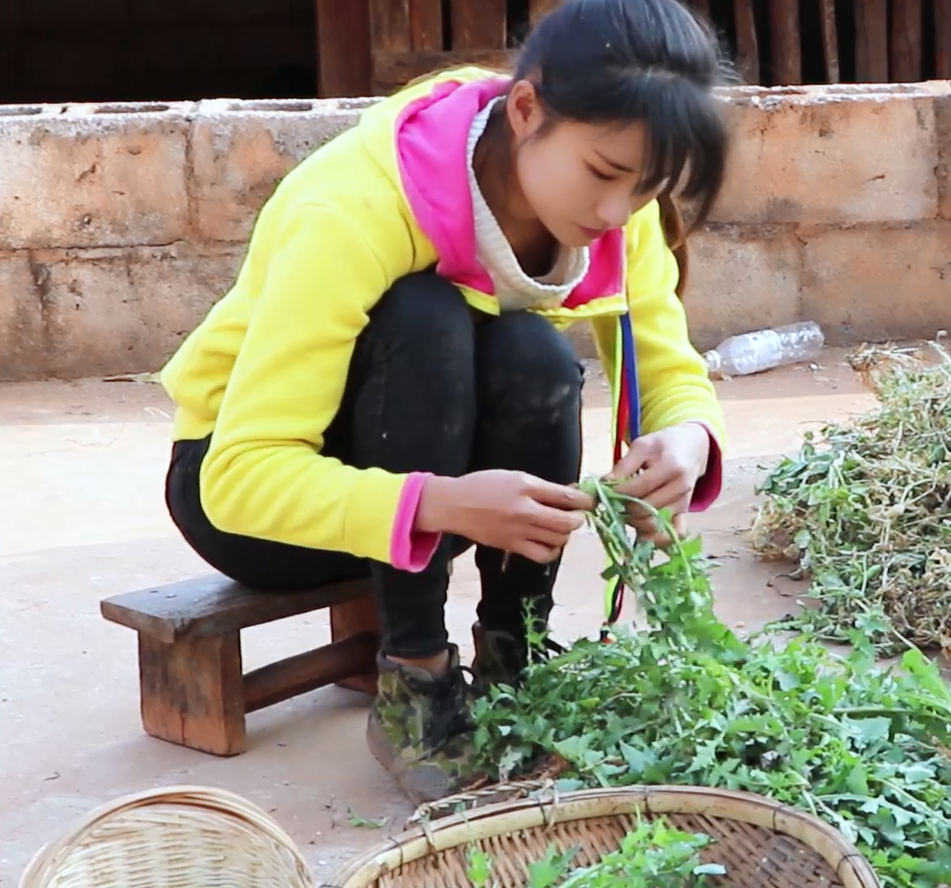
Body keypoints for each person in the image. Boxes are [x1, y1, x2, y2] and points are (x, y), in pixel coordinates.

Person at [156, 0, 733, 803]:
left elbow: (667, 363)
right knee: (425, 315)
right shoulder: (354, 210)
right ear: (526, 108)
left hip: (439, 496)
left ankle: (513, 659)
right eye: (604, 175)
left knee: (533, 349)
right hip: (255, 509)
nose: (615, 214)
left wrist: (687, 437)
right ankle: (417, 681)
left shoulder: (616, 195)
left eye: (644, 191)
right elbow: (241, 479)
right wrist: (441, 502)